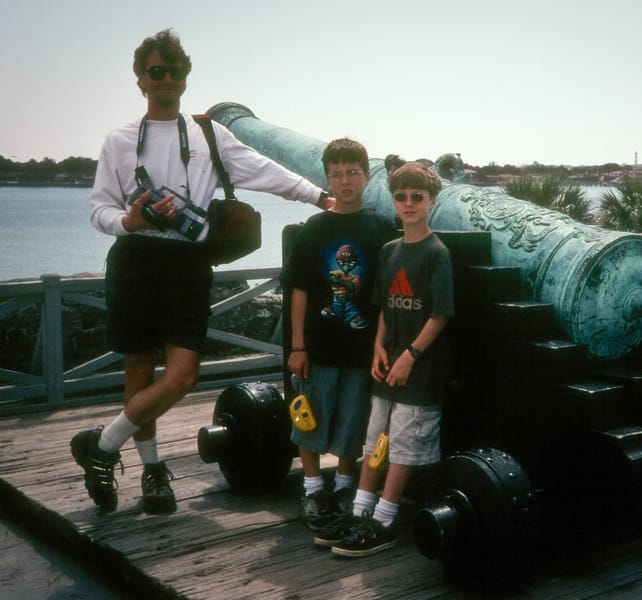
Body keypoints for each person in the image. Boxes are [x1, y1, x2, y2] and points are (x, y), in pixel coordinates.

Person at [70, 29, 333, 515]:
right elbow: (99, 210)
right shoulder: (120, 140)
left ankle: (102, 446)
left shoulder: (210, 134)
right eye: (155, 71)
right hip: (135, 257)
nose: (165, 78)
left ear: (185, 79)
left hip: (188, 261)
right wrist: (128, 219)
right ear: (140, 80)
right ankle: (151, 472)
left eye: (174, 71)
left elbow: (264, 169)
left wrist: (318, 196)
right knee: (139, 370)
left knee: (183, 374)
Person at [314, 161, 454, 557]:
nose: (408, 204)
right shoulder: (391, 250)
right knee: (378, 440)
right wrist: (378, 348)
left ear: (431, 201)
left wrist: (410, 355)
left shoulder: (436, 253)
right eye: (401, 197)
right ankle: (361, 510)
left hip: (419, 368)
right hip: (387, 363)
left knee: (405, 445)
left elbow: (440, 313)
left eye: (417, 198)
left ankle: (385, 520)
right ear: (393, 201)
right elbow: (381, 309)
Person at [282, 138, 397, 530]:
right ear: (327, 179)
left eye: (352, 173)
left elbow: (385, 296)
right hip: (319, 345)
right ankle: (313, 488)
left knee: (354, 418)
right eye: (336, 174)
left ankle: (346, 485)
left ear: (366, 177)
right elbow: (298, 289)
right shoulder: (315, 228)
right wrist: (298, 346)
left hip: (362, 349)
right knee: (309, 418)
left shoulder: (381, 228)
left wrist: (382, 346)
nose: (345, 180)